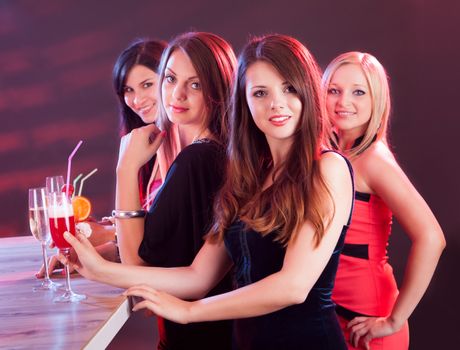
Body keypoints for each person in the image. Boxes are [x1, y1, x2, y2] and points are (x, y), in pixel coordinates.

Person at [61, 34, 354, 350]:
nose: (276, 103)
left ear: (308, 92)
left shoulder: (327, 167)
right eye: (260, 93)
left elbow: (293, 286)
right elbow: (199, 276)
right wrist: (99, 270)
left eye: (289, 88)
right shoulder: (250, 176)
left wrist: (188, 311)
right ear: (243, 102)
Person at [112, 31, 237, 349]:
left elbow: (137, 266)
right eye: (170, 79)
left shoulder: (197, 160)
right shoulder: (216, 153)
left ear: (217, 87)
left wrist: (125, 169)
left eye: (194, 84)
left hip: (199, 337)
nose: (176, 95)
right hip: (205, 330)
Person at [322, 51, 446, 349]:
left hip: (364, 320)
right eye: (334, 90)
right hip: (331, 312)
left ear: (376, 99)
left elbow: (432, 237)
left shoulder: (373, 159)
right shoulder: (337, 152)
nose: (343, 102)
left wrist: (394, 320)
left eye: (358, 92)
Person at [36, 39, 168, 277]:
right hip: (156, 289)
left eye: (147, 84)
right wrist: (86, 257)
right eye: (128, 90)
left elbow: (171, 243)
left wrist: (110, 234)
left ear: (169, 80)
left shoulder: (192, 152)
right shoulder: (148, 147)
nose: (137, 100)